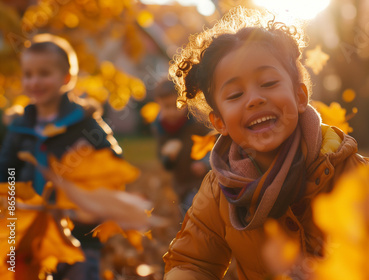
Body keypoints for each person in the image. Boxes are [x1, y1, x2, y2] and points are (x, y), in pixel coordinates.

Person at [160, 7, 369, 280]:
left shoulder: (352, 173)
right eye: (235, 95)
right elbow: (191, 263)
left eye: (269, 83)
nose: (255, 99)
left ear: (300, 96)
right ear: (219, 121)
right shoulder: (220, 190)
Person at [0, 40, 121, 280]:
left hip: (80, 231)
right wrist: (12, 207)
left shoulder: (85, 123)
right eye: (28, 75)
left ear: (66, 78)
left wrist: (88, 155)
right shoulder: (20, 127)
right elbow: (6, 172)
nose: (34, 82)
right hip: (28, 230)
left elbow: (115, 164)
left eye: (44, 74)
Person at [151, 79, 211, 216]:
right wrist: (168, 159)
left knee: (200, 211)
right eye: (167, 107)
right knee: (187, 215)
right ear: (158, 104)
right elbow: (164, 162)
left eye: (177, 106)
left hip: (203, 180)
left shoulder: (198, 124)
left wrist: (204, 163)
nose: (172, 112)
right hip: (181, 183)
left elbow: (215, 145)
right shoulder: (161, 128)